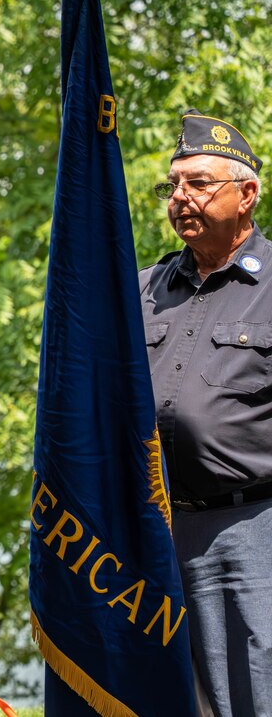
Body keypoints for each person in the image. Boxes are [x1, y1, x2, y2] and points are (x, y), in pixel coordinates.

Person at [140, 109, 272, 715]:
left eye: (197, 183)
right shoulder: (142, 288)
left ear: (247, 195)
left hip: (252, 530)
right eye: (173, 186)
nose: (180, 198)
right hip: (154, 533)